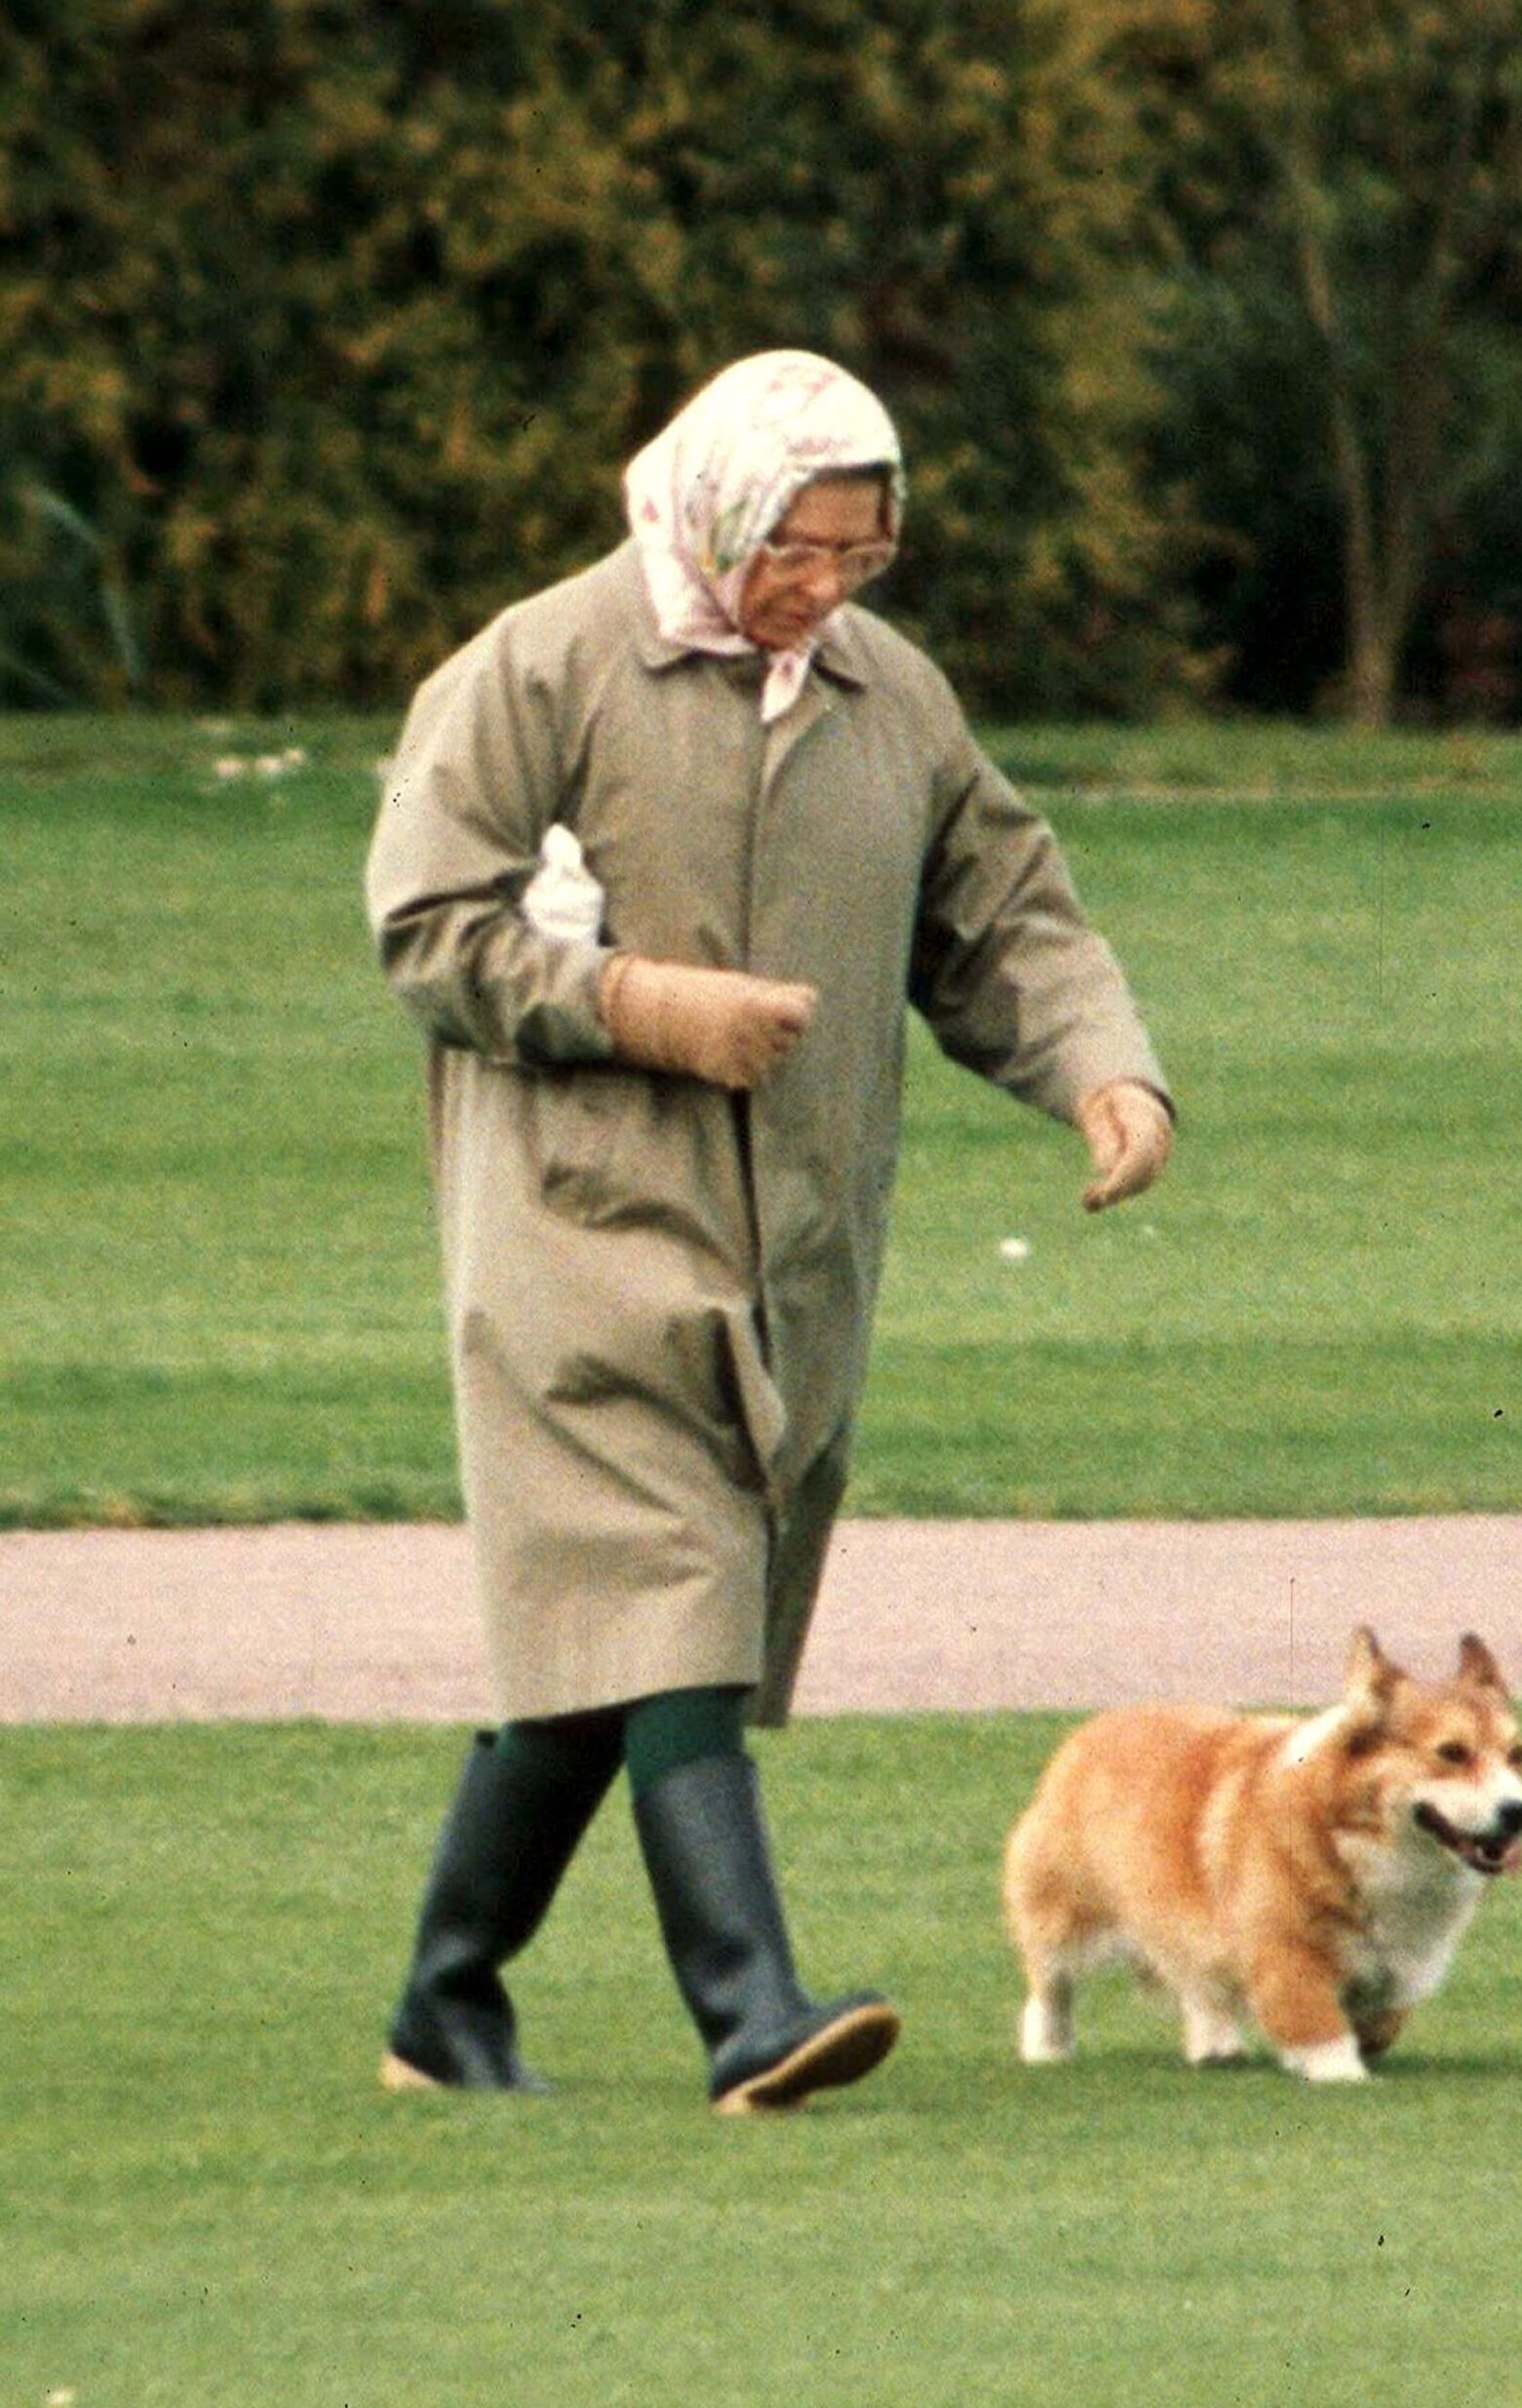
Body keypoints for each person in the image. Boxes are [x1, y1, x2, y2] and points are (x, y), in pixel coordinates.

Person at [365, 348, 1173, 2114]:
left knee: (613, 1647)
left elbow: (1007, 918)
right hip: (575, 1224)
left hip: (795, 1241)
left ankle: (444, 2003)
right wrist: (646, 1005)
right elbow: (427, 925)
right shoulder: (540, 665)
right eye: (798, 551)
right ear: (721, 510)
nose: (823, 590)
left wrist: (1108, 1075)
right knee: (675, 1590)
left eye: (861, 558)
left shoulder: (890, 698)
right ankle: (751, 2008)